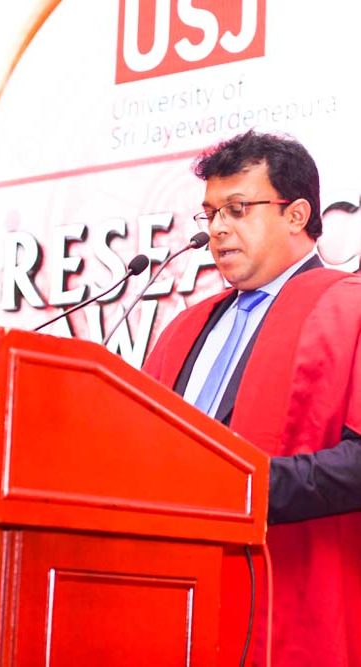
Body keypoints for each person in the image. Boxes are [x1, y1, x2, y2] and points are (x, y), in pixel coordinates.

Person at [143, 130, 361, 666]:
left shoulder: (350, 309)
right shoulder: (185, 327)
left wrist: (242, 488)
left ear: (296, 215)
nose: (218, 229)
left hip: (295, 598)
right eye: (210, 214)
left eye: (237, 210)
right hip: (179, 602)